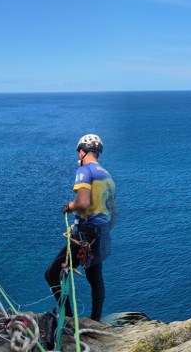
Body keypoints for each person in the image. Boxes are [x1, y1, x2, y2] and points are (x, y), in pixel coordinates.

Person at [45, 133, 116, 321]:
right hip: (101, 235)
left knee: (52, 274)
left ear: (83, 152)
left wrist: (69, 206)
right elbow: (112, 212)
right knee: (96, 280)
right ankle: (95, 320)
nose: (78, 156)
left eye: (79, 152)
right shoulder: (107, 176)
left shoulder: (84, 171)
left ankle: (67, 317)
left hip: (85, 234)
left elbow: (82, 203)